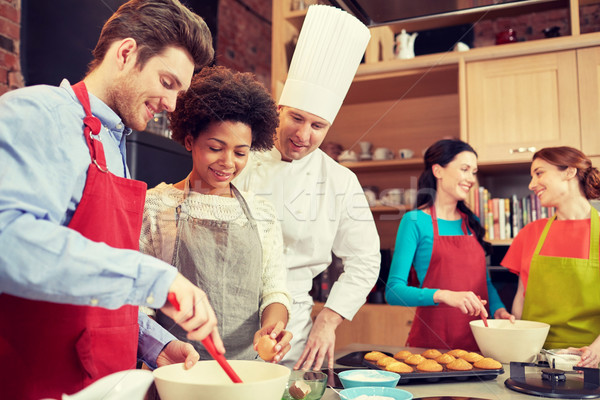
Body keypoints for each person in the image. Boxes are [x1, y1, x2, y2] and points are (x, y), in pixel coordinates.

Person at [0, 1, 224, 398]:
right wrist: (156, 280)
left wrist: (153, 342)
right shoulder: (40, 114)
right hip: (40, 383)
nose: (171, 105)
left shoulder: (114, 144)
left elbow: (89, 282)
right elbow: (8, 242)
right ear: (125, 54)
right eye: (167, 82)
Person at [233, 4, 380, 371]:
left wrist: (328, 319)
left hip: (292, 327)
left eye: (318, 126)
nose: (303, 134)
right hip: (226, 314)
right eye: (297, 118)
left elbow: (365, 260)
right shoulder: (238, 158)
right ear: (279, 109)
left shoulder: (340, 181)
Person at [140, 66, 293, 363]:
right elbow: (142, 299)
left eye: (240, 152)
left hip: (246, 373)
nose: (227, 162)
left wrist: (273, 329)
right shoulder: (155, 206)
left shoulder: (261, 212)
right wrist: (154, 352)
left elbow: (274, 289)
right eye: (215, 148)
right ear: (189, 141)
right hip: (177, 369)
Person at [386, 139, 514, 351]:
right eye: (464, 169)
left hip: (480, 344)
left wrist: (499, 310)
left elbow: (485, 283)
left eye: (474, 172)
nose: (471, 179)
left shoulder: (471, 222)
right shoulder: (415, 221)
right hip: (432, 347)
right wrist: (444, 295)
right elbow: (393, 291)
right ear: (438, 170)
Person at [502, 146, 600, 368]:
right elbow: (521, 298)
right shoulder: (530, 233)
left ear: (569, 172)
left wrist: (596, 351)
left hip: (589, 360)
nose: (531, 184)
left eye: (539, 173)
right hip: (533, 358)